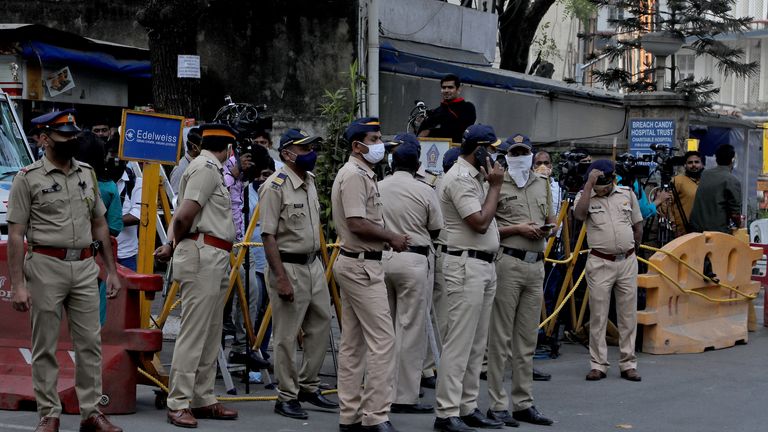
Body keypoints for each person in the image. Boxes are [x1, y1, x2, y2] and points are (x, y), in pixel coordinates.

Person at [7, 109, 123, 432]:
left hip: (85, 265)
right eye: (63, 137)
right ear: (44, 139)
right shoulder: (27, 178)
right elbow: (16, 234)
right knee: (44, 344)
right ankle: (49, 413)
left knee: (90, 342)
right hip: (45, 264)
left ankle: (91, 412)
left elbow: (100, 224)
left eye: (73, 135)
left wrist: (111, 270)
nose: (72, 140)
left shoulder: (86, 173)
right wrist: (18, 284)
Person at [154, 123, 239, 428]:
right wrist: (177, 245)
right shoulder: (205, 167)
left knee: (210, 332)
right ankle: (178, 402)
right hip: (203, 252)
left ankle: (202, 398)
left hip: (213, 253)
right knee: (194, 333)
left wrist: (172, 244)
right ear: (228, 148)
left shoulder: (209, 167)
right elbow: (185, 215)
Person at [331, 117, 408, 432]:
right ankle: (375, 417)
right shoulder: (354, 176)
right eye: (374, 139)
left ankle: (350, 416)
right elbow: (357, 223)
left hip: (358, 262)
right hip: (362, 265)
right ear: (357, 146)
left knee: (353, 343)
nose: (380, 145)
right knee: (382, 341)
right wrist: (391, 237)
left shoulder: (362, 174)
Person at [259, 128, 338, 419]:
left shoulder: (309, 182)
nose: (311, 154)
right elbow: (268, 236)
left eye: (312, 148)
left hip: (313, 264)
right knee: (286, 335)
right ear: (287, 154)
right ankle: (286, 395)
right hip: (288, 265)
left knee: (321, 323)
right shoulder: (275, 186)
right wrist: (280, 277)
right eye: (305, 149)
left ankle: (308, 384)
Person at [434, 124, 505, 432]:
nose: (497, 155)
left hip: (483, 266)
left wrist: (491, 185)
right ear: (479, 150)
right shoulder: (461, 179)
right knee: (459, 342)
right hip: (465, 265)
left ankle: (467, 405)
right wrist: (496, 187)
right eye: (492, 149)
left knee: (477, 343)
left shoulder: (476, 178)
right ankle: (447, 412)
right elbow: (478, 222)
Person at [486, 134, 554, 427]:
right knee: (500, 338)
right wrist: (518, 229)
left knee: (527, 339)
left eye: (524, 152)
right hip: (508, 262)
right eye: (514, 152)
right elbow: (484, 227)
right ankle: (498, 404)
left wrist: (546, 229)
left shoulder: (543, 185)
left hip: (535, 265)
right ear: (506, 155)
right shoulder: (497, 184)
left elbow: (551, 219)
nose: (520, 156)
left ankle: (523, 402)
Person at [380, 134, 443, 415]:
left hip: (382, 258)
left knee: (384, 330)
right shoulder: (425, 189)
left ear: (392, 163)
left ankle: (380, 390)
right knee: (411, 330)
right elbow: (436, 228)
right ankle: (404, 397)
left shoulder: (377, 187)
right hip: (414, 260)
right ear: (417, 163)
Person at [574, 160, 643, 383]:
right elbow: (579, 215)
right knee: (598, 314)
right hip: (600, 262)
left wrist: (633, 248)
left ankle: (628, 363)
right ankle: (598, 364)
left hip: (627, 261)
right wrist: (589, 185)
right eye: (598, 184)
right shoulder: (585, 195)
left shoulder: (626, 193)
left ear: (612, 179)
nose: (601, 188)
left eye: (604, 183)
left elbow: (637, 224)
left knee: (628, 315)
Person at [421, 147, 462, 390]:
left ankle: (430, 366)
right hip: (443, 252)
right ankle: (429, 366)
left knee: (437, 315)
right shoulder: (448, 184)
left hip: (440, 252)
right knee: (439, 316)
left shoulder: (437, 183)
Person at [689, 144, 741, 234]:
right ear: (733, 160)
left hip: (696, 230)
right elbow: (735, 214)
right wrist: (739, 224)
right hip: (717, 233)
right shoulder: (732, 181)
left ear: (716, 159)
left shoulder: (705, 174)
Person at [417, 74, 477, 144]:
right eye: (444, 88)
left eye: (450, 87)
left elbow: (459, 132)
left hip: (456, 151)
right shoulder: (438, 110)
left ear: (458, 89)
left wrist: (431, 132)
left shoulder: (467, 107)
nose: (446, 90)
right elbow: (421, 133)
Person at [670, 151, 703, 236]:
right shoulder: (677, 180)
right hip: (682, 230)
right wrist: (673, 222)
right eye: (690, 163)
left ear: (702, 164)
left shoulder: (706, 182)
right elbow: (667, 203)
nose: (693, 165)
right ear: (685, 165)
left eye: (696, 162)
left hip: (701, 230)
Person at [116, 166, 142, 271]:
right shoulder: (98, 180)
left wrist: (106, 222)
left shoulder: (136, 182)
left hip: (126, 255)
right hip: (100, 252)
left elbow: (137, 215)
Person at [169, 127, 202, 194]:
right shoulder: (180, 169)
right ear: (194, 147)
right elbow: (175, 200)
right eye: (203, 146)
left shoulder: (200, 163)